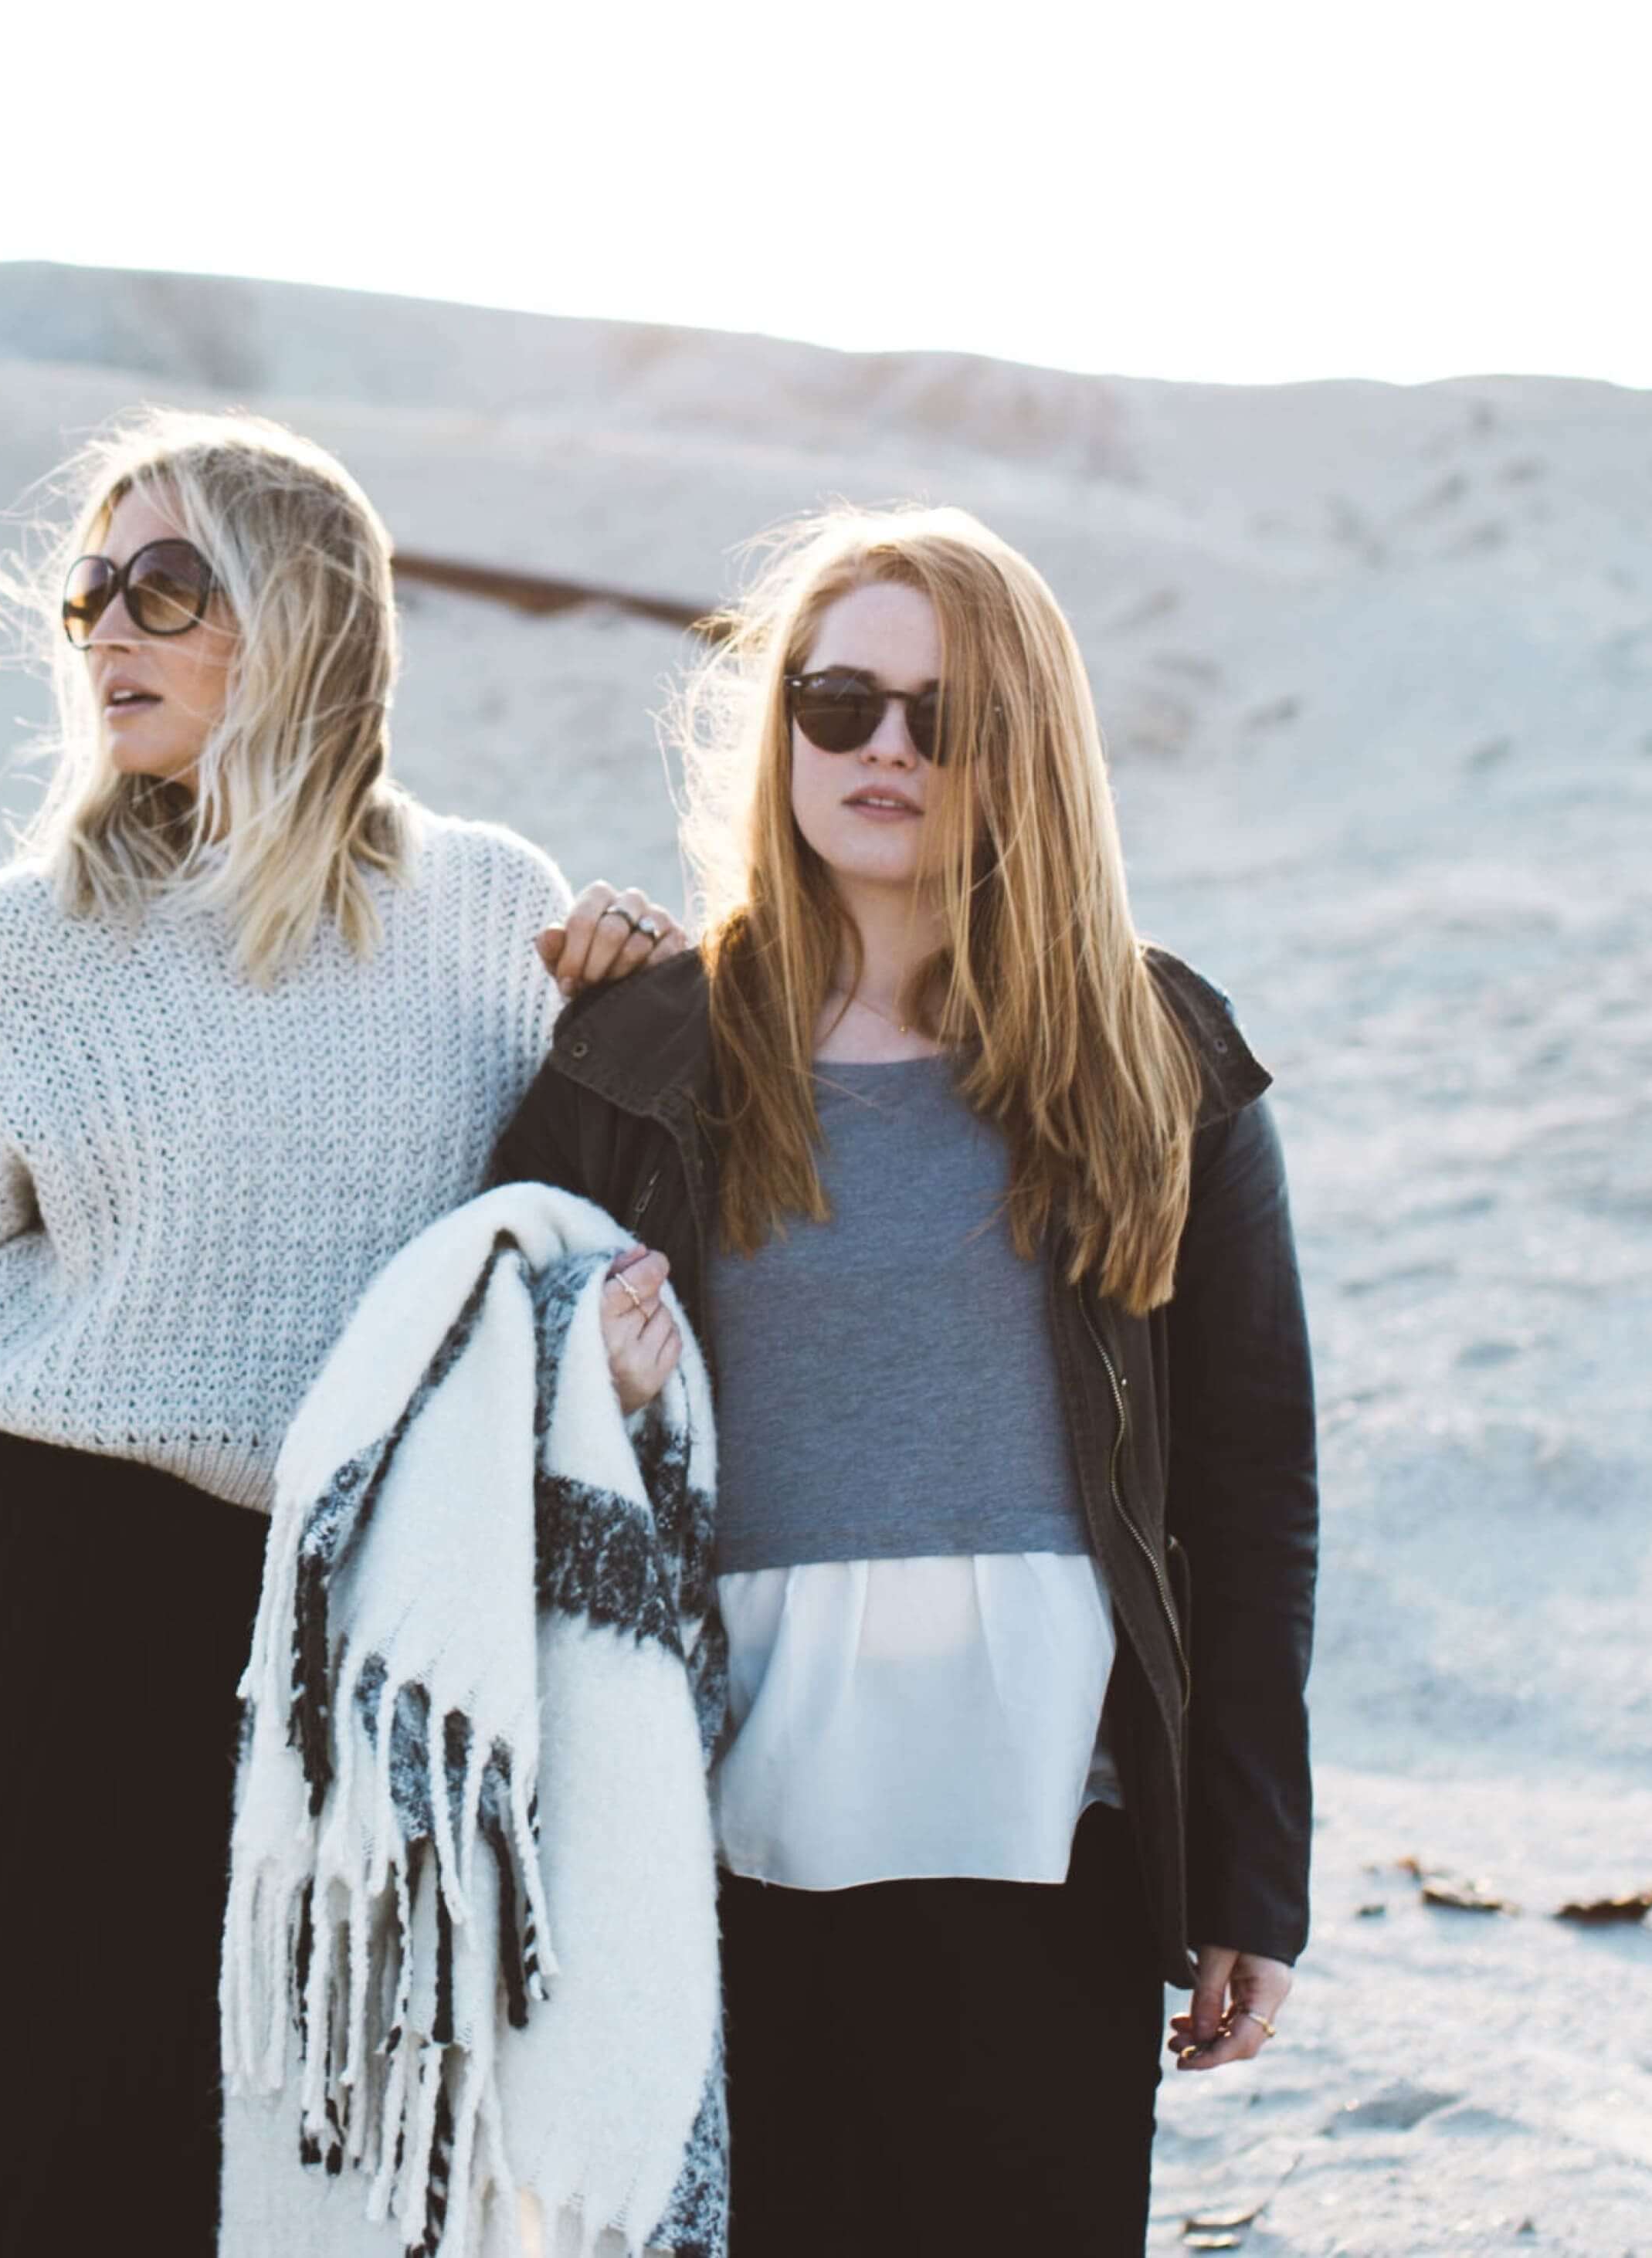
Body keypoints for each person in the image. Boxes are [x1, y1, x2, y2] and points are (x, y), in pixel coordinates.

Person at [0, 406, 678, 2256]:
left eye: (165, 586)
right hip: (24, 1615)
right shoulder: (16, 944)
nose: (107, 628)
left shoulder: (490, 909)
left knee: (214, 2179)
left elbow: (547, 1256)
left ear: (307, 614)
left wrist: (629, 999)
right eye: (87, 590)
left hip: (322, 1650)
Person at [483, 503, 1319, 2252]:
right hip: (710, 1830)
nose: (884, 750)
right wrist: (595, 1392)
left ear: (1029, 749)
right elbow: (480, 1414)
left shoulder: (1157, 1056)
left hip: (1052, 1826)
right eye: (839, 701)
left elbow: (1252, 1494)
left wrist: (1252, 1871)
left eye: (946, 717)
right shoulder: (637, 1058)